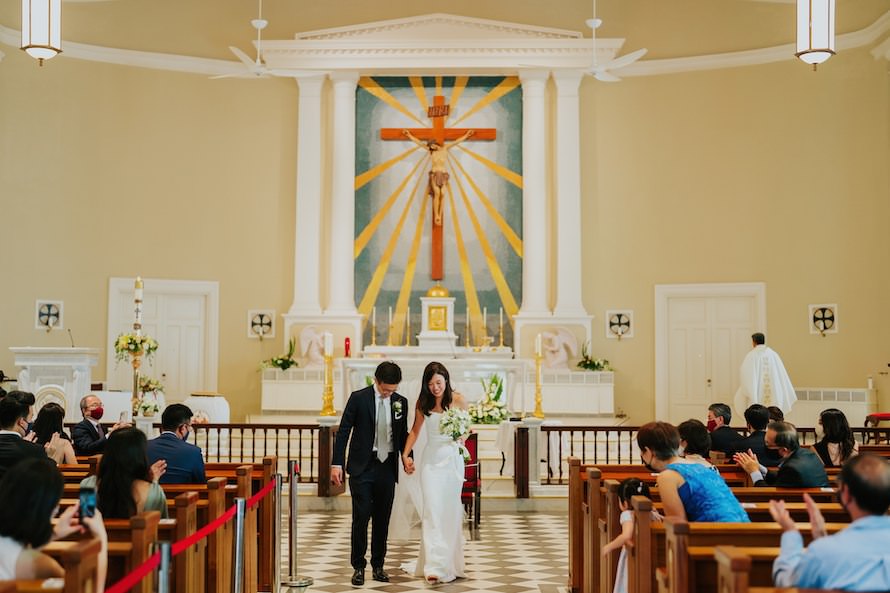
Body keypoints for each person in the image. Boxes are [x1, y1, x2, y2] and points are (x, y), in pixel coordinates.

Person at [331, 361, 410, 586]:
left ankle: (378, 565)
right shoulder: (359, 398)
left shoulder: (399, 402)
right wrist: (336, 463)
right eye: (386, 389)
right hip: (362, 466)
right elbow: (344, 430)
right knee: (361, 516)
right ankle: (358, 566)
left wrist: (408, 455)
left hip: (387, 467)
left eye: (393, 390)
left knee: (382, 518)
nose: (389, 394)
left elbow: (402, 434)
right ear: (376, 381)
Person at [769, 453, 890, 590]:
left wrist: (791, 533)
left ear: (846, 494)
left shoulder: (823, 553)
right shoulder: (824, 550)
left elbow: (787, 584)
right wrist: (822, 538)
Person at [401, 362, 467, 585]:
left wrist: (460, 435)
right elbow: (415, 431)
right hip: (430, 462)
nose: (435, 388)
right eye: (430, 384)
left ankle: (448, 563)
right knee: (431, 511)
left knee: (449, 511)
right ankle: (434, 566)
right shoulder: (423, 403)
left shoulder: (457, 400)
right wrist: (405, 453)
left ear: (446, 380)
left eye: (438, 383)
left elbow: (466, 430)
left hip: (451, 460)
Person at [0, 458, 107, 584]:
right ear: (47, 509)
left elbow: (16, 551)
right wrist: (101, 537)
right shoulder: (40, 565)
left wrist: (55, 533)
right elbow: (85, 589)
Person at [637, 421, 749, 522]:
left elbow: (678, 525)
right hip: (742, 527)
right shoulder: (700, 466)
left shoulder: (667, 476)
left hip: (719, 534)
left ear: (647, 451)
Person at [80, 426, 168, 519]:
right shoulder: (154, 492)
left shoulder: (88, 485)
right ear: (140, 456)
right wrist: (153, 484)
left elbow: (86, 522)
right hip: (140, 534)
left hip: (98, 533)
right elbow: (162, 526)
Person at [403, 129, 474, 225]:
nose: (431, 147)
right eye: (430, 146)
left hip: (443, 175)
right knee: (437, 193)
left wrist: (466, 135)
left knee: (443, 194)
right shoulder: (431, 151)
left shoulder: (445, 148)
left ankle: (440, 214)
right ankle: (436, 215)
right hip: (435, 174)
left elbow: (456, 141)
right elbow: (419, 143)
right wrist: (409, 135)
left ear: (435, 143)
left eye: (432, 145)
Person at [601, 478, 661, 593]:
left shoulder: (627, 514)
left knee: (627, 584)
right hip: (652, 554)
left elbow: (627, 535)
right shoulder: (653, 513)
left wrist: (609, 546)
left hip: (633, 555)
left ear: (624, 503)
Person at [733, 421, 829, 487]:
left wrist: (754, 471)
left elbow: (769, 495)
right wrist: (758, 467)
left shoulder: (792, 469)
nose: (765, 446)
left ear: (784, 450)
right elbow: (783, 477)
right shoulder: (808, 455)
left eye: (768, 444)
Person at [0, 391, 61, 479]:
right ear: (21, 422)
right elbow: (48, 482)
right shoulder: (35, 451)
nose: (31, 422)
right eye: (30, 418)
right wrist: (49, 457)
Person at [734, 333, 796, 414]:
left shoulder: (751, 355)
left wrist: (749, 391)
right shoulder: (773, 354)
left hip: (757, 394)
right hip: (773, 395)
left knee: (757, 417)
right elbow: (781, 374)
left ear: (754, 342)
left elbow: (746, 375)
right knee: (773, 415)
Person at [146, 403, 206, 484]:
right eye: (189, 427)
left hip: (150, 496)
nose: (189, 430)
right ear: (182, 428)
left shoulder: (144, 446)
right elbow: (201, 483)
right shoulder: (194, 452)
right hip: (182, 495)